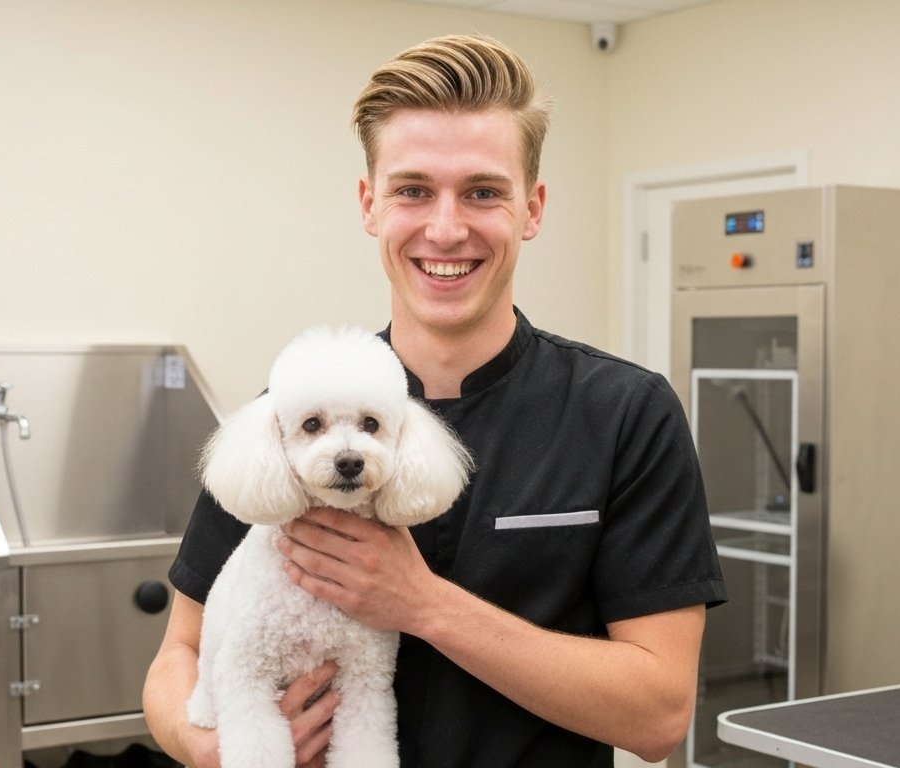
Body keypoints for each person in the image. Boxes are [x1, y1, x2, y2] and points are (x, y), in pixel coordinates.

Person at [144, 33, 725, 768]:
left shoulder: (625, 415)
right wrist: (209, 749)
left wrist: (423, 606)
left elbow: (658, 716)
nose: (446, 229)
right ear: (370, 205)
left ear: (532, 208)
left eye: (483, 192)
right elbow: (180, 654)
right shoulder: (289, 422)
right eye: (413, 189)